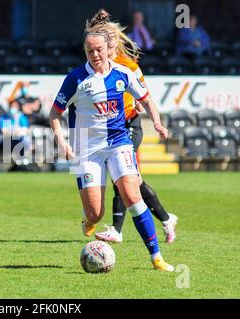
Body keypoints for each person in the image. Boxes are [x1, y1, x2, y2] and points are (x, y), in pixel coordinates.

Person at [49, 10, 174, 271]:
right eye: (89, 51)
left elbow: (147, 99)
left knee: (131, 192)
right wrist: (62, 141)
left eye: (98, 50)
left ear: (109, 49)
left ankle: (156, 257)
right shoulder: (76, 79)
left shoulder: (123, 73)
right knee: (96, 213)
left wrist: (158, 123)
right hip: (87, 147)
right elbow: (54, 113)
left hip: (119, 142)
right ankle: (89, 220)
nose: (94, 56)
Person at [85, 10, 178, 244]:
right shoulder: (97, 62)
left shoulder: (128, 65)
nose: (109, 43)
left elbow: (145, 94)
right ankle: (167, 218)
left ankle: (116, 230)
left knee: (123, 178)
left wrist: (153, 119)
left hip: (129, 125)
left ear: (115, 41)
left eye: (112, 38)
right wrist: (97, 20)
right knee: (134, 181)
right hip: (110, 128)